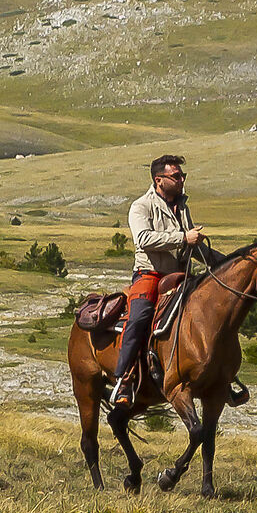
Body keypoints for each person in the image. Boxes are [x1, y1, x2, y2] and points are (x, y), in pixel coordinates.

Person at [110, 154, 220, 418]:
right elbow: (144, 239)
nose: (182, 180)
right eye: (176, 176)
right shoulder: (141, 206)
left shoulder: (182, 206)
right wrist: (184, 236)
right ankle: (123, 379)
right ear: (159, 180)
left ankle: (219, 375)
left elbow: (190, 245)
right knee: (139, 317)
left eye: (182, 176)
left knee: (212, 313)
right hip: (151, 274)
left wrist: (224, 263)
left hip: (180, 275)